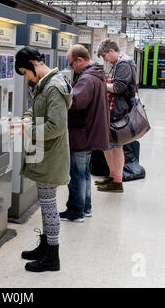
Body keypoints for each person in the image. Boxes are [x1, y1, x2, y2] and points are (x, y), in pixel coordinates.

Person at [13, 46, 72, 272]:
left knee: (49, 207)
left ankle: (52, 258)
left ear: (33, 65)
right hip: (46, 154)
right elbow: (34, 110)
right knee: (47, 204)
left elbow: (55, 126)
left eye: (25, 73)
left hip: (50, 155)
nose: (26, 78)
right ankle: (45, 248)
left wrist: (28, 131)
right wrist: (26, 119)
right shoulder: (46, 83)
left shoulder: (53, 88)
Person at [59, 44, 110, 222]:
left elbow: (76, 102)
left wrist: (61, 90)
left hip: (81, 133)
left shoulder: (87, 79)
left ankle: (76, 211)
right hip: (88, 132)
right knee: (84, 173)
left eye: (71, 64)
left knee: (77, 174)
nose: (70, 68)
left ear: (80, 60)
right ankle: (86, 208)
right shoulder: (95, 74)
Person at [96, 38, 137, 193]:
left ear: (111, 51)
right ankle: (112, 176)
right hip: (112, 110)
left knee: (117, 146)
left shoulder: (124, 64)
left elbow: (119, 87)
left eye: (104, 56)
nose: (104, 59)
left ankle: (118, 182)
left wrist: (99, 85)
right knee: (108, 144)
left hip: (119, 111)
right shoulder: (117, 64)